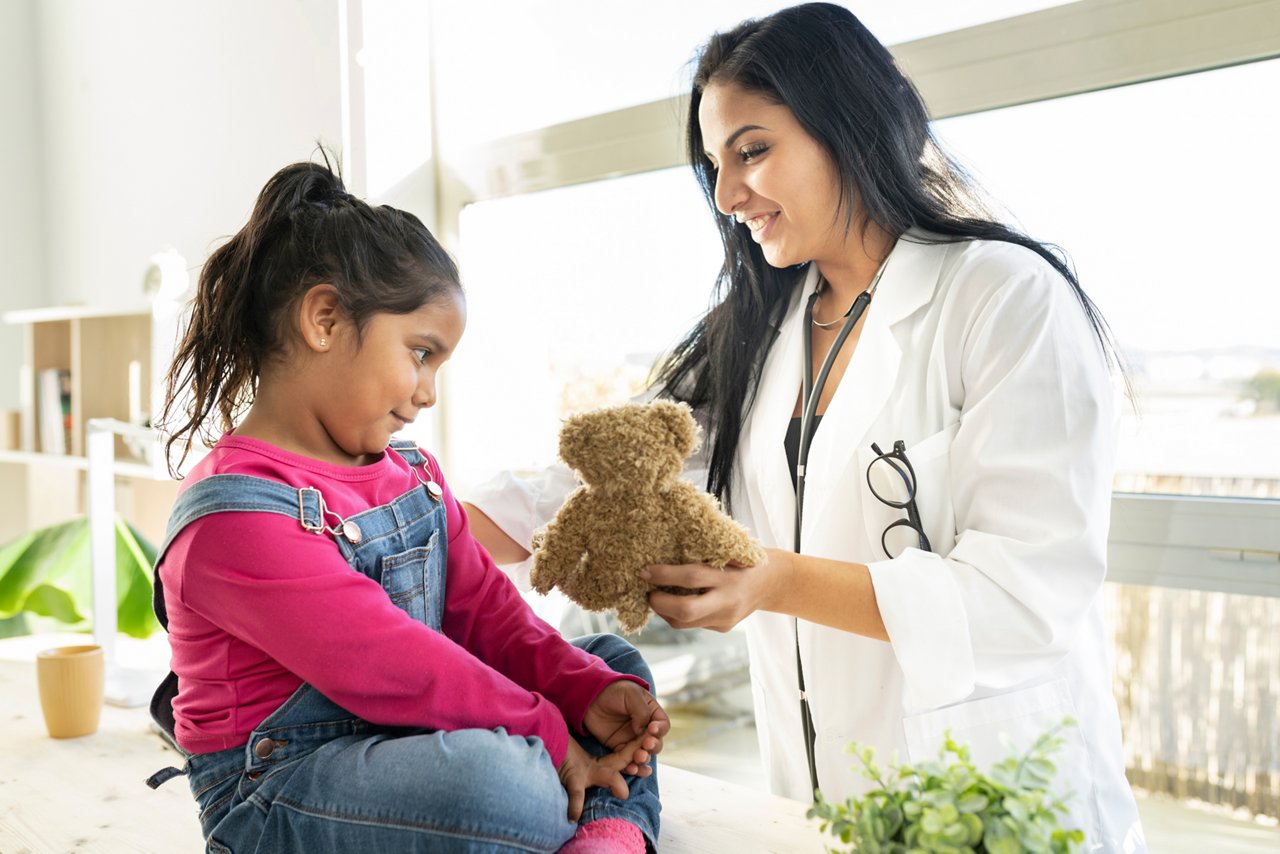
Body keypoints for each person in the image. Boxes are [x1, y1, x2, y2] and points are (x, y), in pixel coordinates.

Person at [464, 4, 1146, 851]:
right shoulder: (761, 328)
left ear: (851, 123)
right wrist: (389, 528)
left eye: (752, 150)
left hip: (998, 789)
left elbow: (1025, 594)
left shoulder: (1004, 297)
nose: (726, 192)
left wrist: (774, 581)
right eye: (715, 164)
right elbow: (600, 480)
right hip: (821, 803)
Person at [144, 157, 667, 853]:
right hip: (280, 795)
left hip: (406, 742)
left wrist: (579, 691)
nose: (428, 392)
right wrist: (548, 729)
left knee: (611, 665)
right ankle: (597, 811)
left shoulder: (411, 473)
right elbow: (395, 664)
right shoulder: (231, 520)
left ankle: (606, 832)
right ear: (324, 318)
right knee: (499, 783)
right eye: (421, 353)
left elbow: (483, 610)